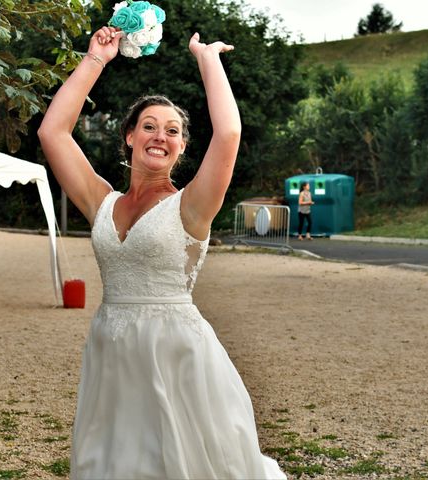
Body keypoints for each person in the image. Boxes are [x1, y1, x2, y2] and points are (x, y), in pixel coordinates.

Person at [38, 26, 286, 479]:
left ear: (182, 148)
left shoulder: (191, 205)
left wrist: (206, 59)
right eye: (149, 126)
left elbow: (228, 132)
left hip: (176, 356)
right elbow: (53, 131)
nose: (160, 136)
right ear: (130, 137)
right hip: (111, 351)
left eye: (172, 131)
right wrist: (96, 59)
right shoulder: (102, 201)